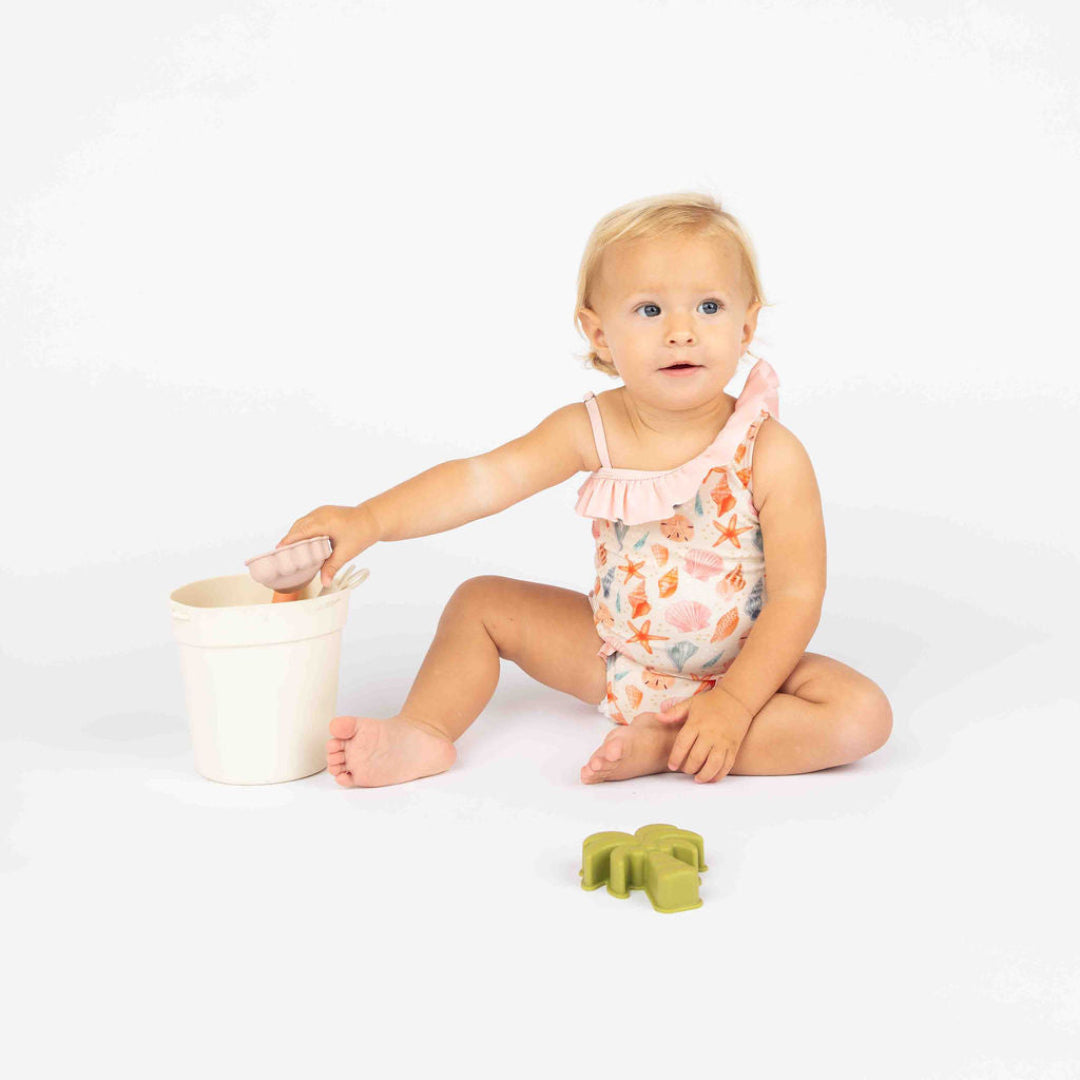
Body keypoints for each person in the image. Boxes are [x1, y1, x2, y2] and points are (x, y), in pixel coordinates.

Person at [276, 192, 893, 789]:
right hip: (611, 658)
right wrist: (369, 519)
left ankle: (666, 745)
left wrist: (733, 703)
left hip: (746, 675)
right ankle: (423, 730)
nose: (681, 331)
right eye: (650, 310)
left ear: (747, 324)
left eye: (708, 307)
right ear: (599, 335)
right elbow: (481, 479)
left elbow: (797, 595)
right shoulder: (589, 429)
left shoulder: (770, 452)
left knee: (860, 714)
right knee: (480, 603)